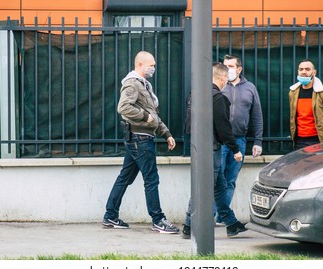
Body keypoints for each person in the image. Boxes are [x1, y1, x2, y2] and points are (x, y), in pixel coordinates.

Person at [102, 51, 179, 234]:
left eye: (154, 65)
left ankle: (110, 216)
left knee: (125, 178)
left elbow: (153, 114)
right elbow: (124, 107)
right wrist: (145, 117)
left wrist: (166, 133)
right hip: (140, 139)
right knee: (151, 180)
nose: (153, 68)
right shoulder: (132, 84)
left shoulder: (144, 85)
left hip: (138, 138)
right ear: (139, 65)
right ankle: (158, 220)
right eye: (150, 65)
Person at [182, 62, 245, 239]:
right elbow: (224, 128)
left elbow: (188, 125)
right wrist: (235, 149)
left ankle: (231, 223)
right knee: (203, 187)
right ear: (223, 77)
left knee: (219, 186)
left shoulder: (195, 95)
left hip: (198, 148)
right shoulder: (218, 98)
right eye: (226, 77)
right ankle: (188, 225)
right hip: (212, 149)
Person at [215, 54, 263, 224]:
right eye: (225, 66)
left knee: (230, 180)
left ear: (239, 69)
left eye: (231, 66)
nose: (227, 70)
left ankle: (221, 217)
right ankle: (211, 216)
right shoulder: (219, 86)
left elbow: (257, 115)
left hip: (240, 140)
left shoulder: (250, 88)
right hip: (220, 141)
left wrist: (257, 141)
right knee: (216, 178)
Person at [289, 58, 323, 150]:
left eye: (307, 69)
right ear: (298, 72)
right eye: (301, 69)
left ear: (314, 72)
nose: (304, 72)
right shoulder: (293, 92)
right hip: (298, 141)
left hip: (318, 141)